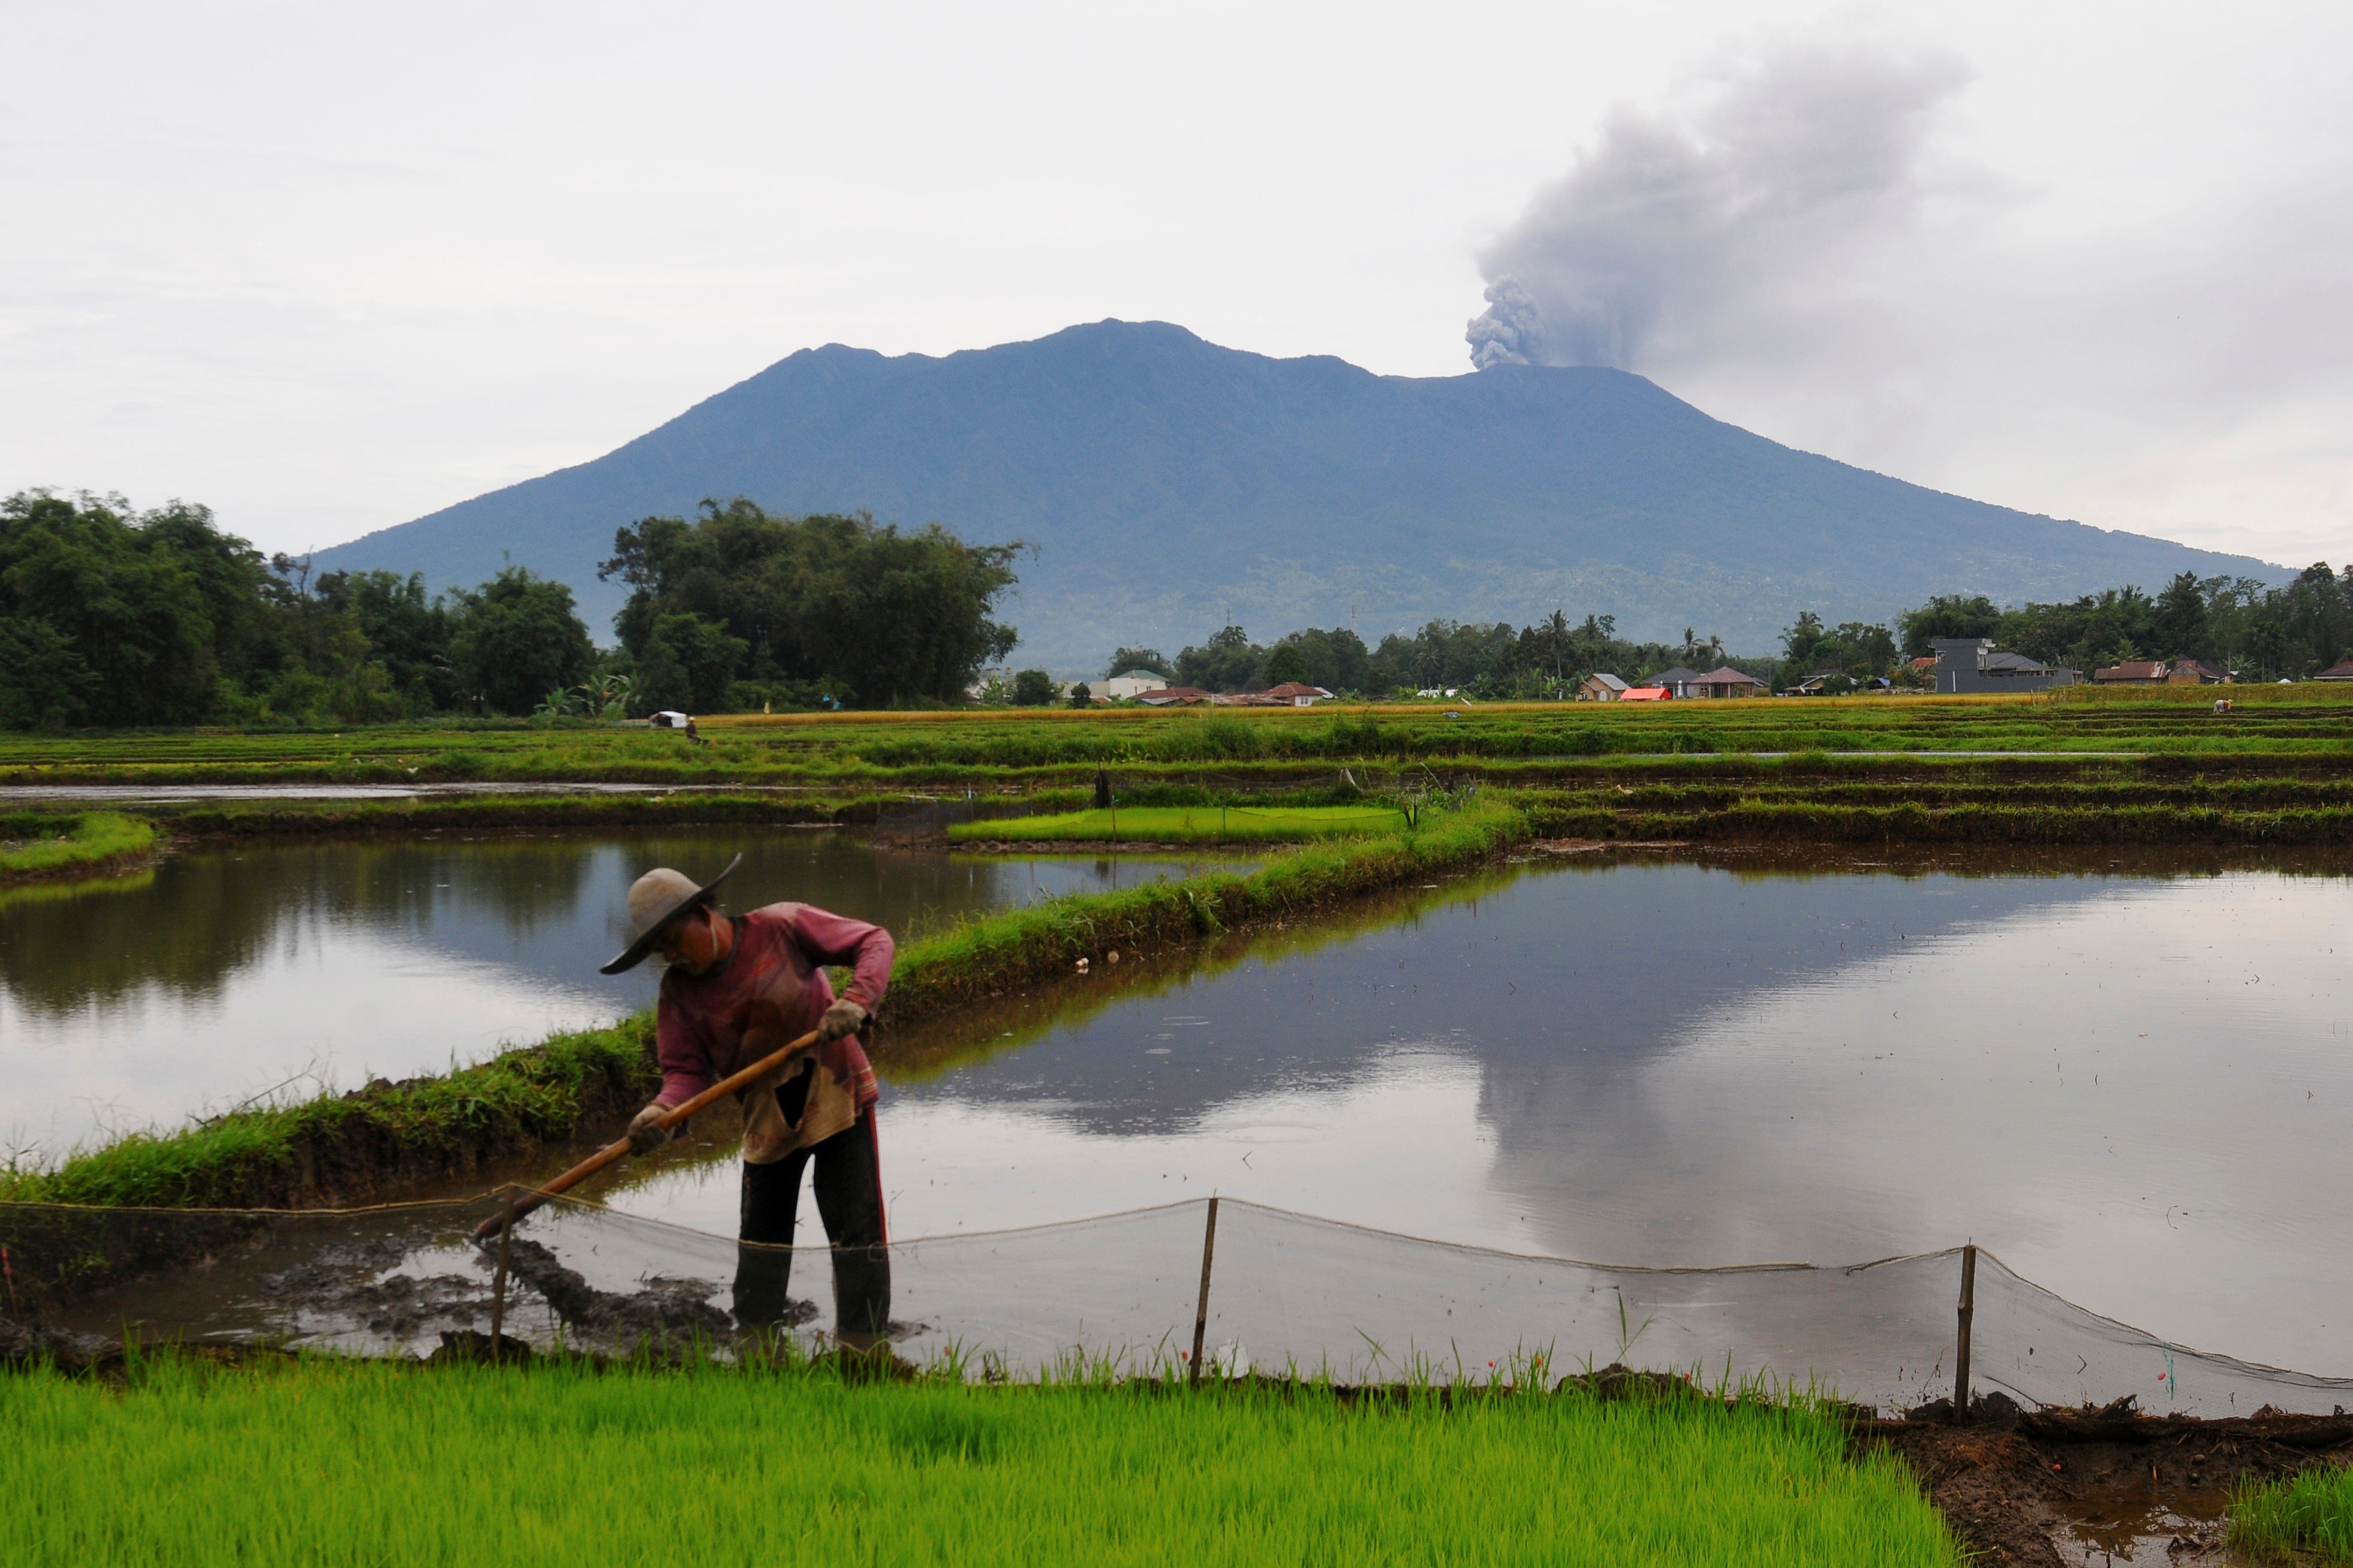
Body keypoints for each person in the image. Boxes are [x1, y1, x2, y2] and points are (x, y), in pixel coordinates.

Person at [598, 854, 896, 1351]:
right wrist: (661, 1111)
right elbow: (685, 1073)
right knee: (762, 1244)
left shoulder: (782, 926)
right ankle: (759, 1352)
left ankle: (863, 1351)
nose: (672, 957)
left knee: (857, 1236)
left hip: (836, 1091)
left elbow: (874, 940)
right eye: (660, 950)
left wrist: (856, 1000)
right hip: (766, 1118)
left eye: (674, 940)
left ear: (703, 913)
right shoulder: (678, 993)